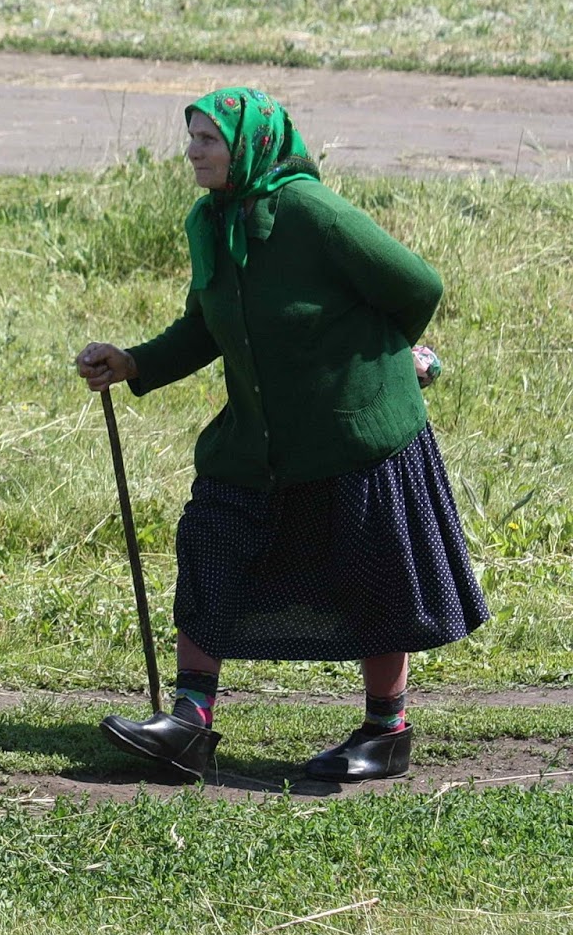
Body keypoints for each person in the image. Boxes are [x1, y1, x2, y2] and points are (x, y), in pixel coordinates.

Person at [76, 86, 488, 783]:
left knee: (372, 578)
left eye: (207, 140)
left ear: (249, 146)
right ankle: (188, 723)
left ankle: (386, 731)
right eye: (193, 138)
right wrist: (134, 362)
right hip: (258, 444)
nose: (193, 152)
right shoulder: (212, 221)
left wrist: (388, 360)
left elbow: (418, 285)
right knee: (211, 539)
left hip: (356, 438)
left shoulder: (309, 210)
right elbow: (205, 326)